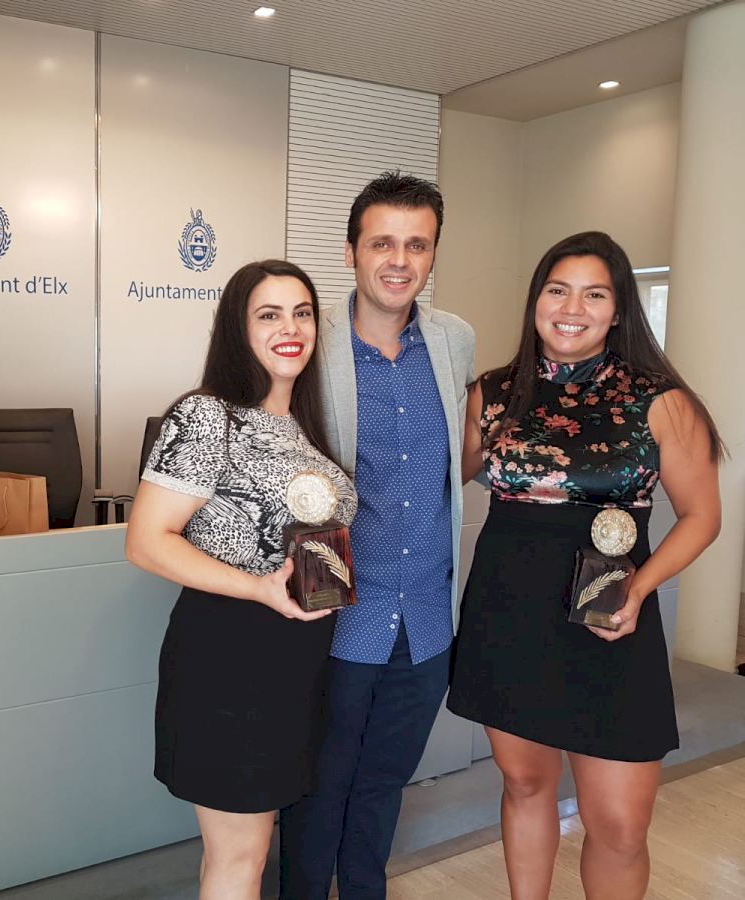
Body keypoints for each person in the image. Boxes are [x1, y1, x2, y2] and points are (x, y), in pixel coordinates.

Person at [448, 231, 723, 899]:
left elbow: (702, 517)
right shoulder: (494, 393)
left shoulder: (659, 400)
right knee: (525, 784)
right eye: (558, 290)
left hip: (608, 618)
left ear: (619, 308)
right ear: (536, 300)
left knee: (620, 825)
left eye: (594, 295)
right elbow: (439, 480)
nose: (572, 308)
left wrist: (640, 589)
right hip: (508, 614)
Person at [125, 259, 357, 899]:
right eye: (269, 314)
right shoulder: (207, 416)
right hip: (230, 654)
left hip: (297, 658)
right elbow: (146, 542)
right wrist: (259, 587)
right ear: (238, 327)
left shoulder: (303, 424)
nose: (291, 328)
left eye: (302, 313)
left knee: (244, 852)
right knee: (240, 855)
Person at [279, 172, 475, 900]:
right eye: (382, 243)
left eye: (416, 245)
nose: (399, 260)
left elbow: (456, 461)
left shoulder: (454, 341)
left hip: (424, 617)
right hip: (334, 612)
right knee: (316, 786)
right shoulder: (311, 342)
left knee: (384, 784)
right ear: (350, 252)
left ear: (433, 254)